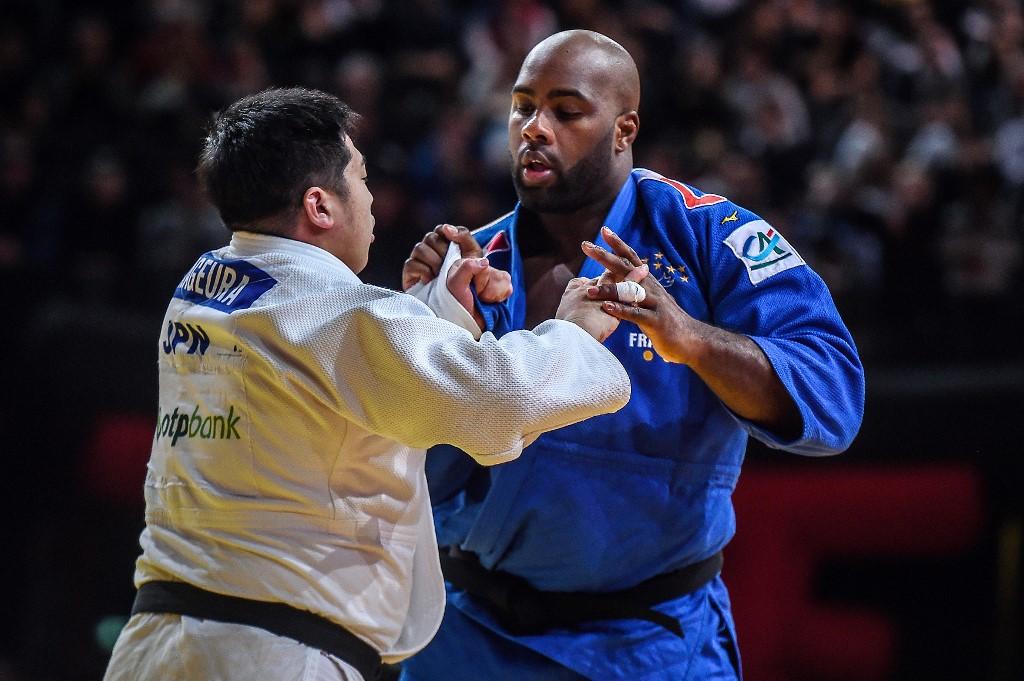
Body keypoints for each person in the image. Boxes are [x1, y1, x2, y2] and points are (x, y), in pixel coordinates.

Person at [102, 87, 633, 681]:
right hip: (272, 656)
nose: (372, 196)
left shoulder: (203, 291)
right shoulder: (334, 312)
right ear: (320, 207)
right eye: (359, 176)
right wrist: (576, 334)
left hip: (155, 646)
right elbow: (495, 403)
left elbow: (343, 394)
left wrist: (434, 314)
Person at [399, 30, 865, 680]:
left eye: (565, 110)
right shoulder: (467, 267)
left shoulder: (707, 234)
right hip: (472, 637)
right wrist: (427, 325)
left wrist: (691, 338)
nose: (534, 128)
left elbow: (833, 392)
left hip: (654, 644)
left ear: (624, 130)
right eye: (523, 106)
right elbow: (414, 475)